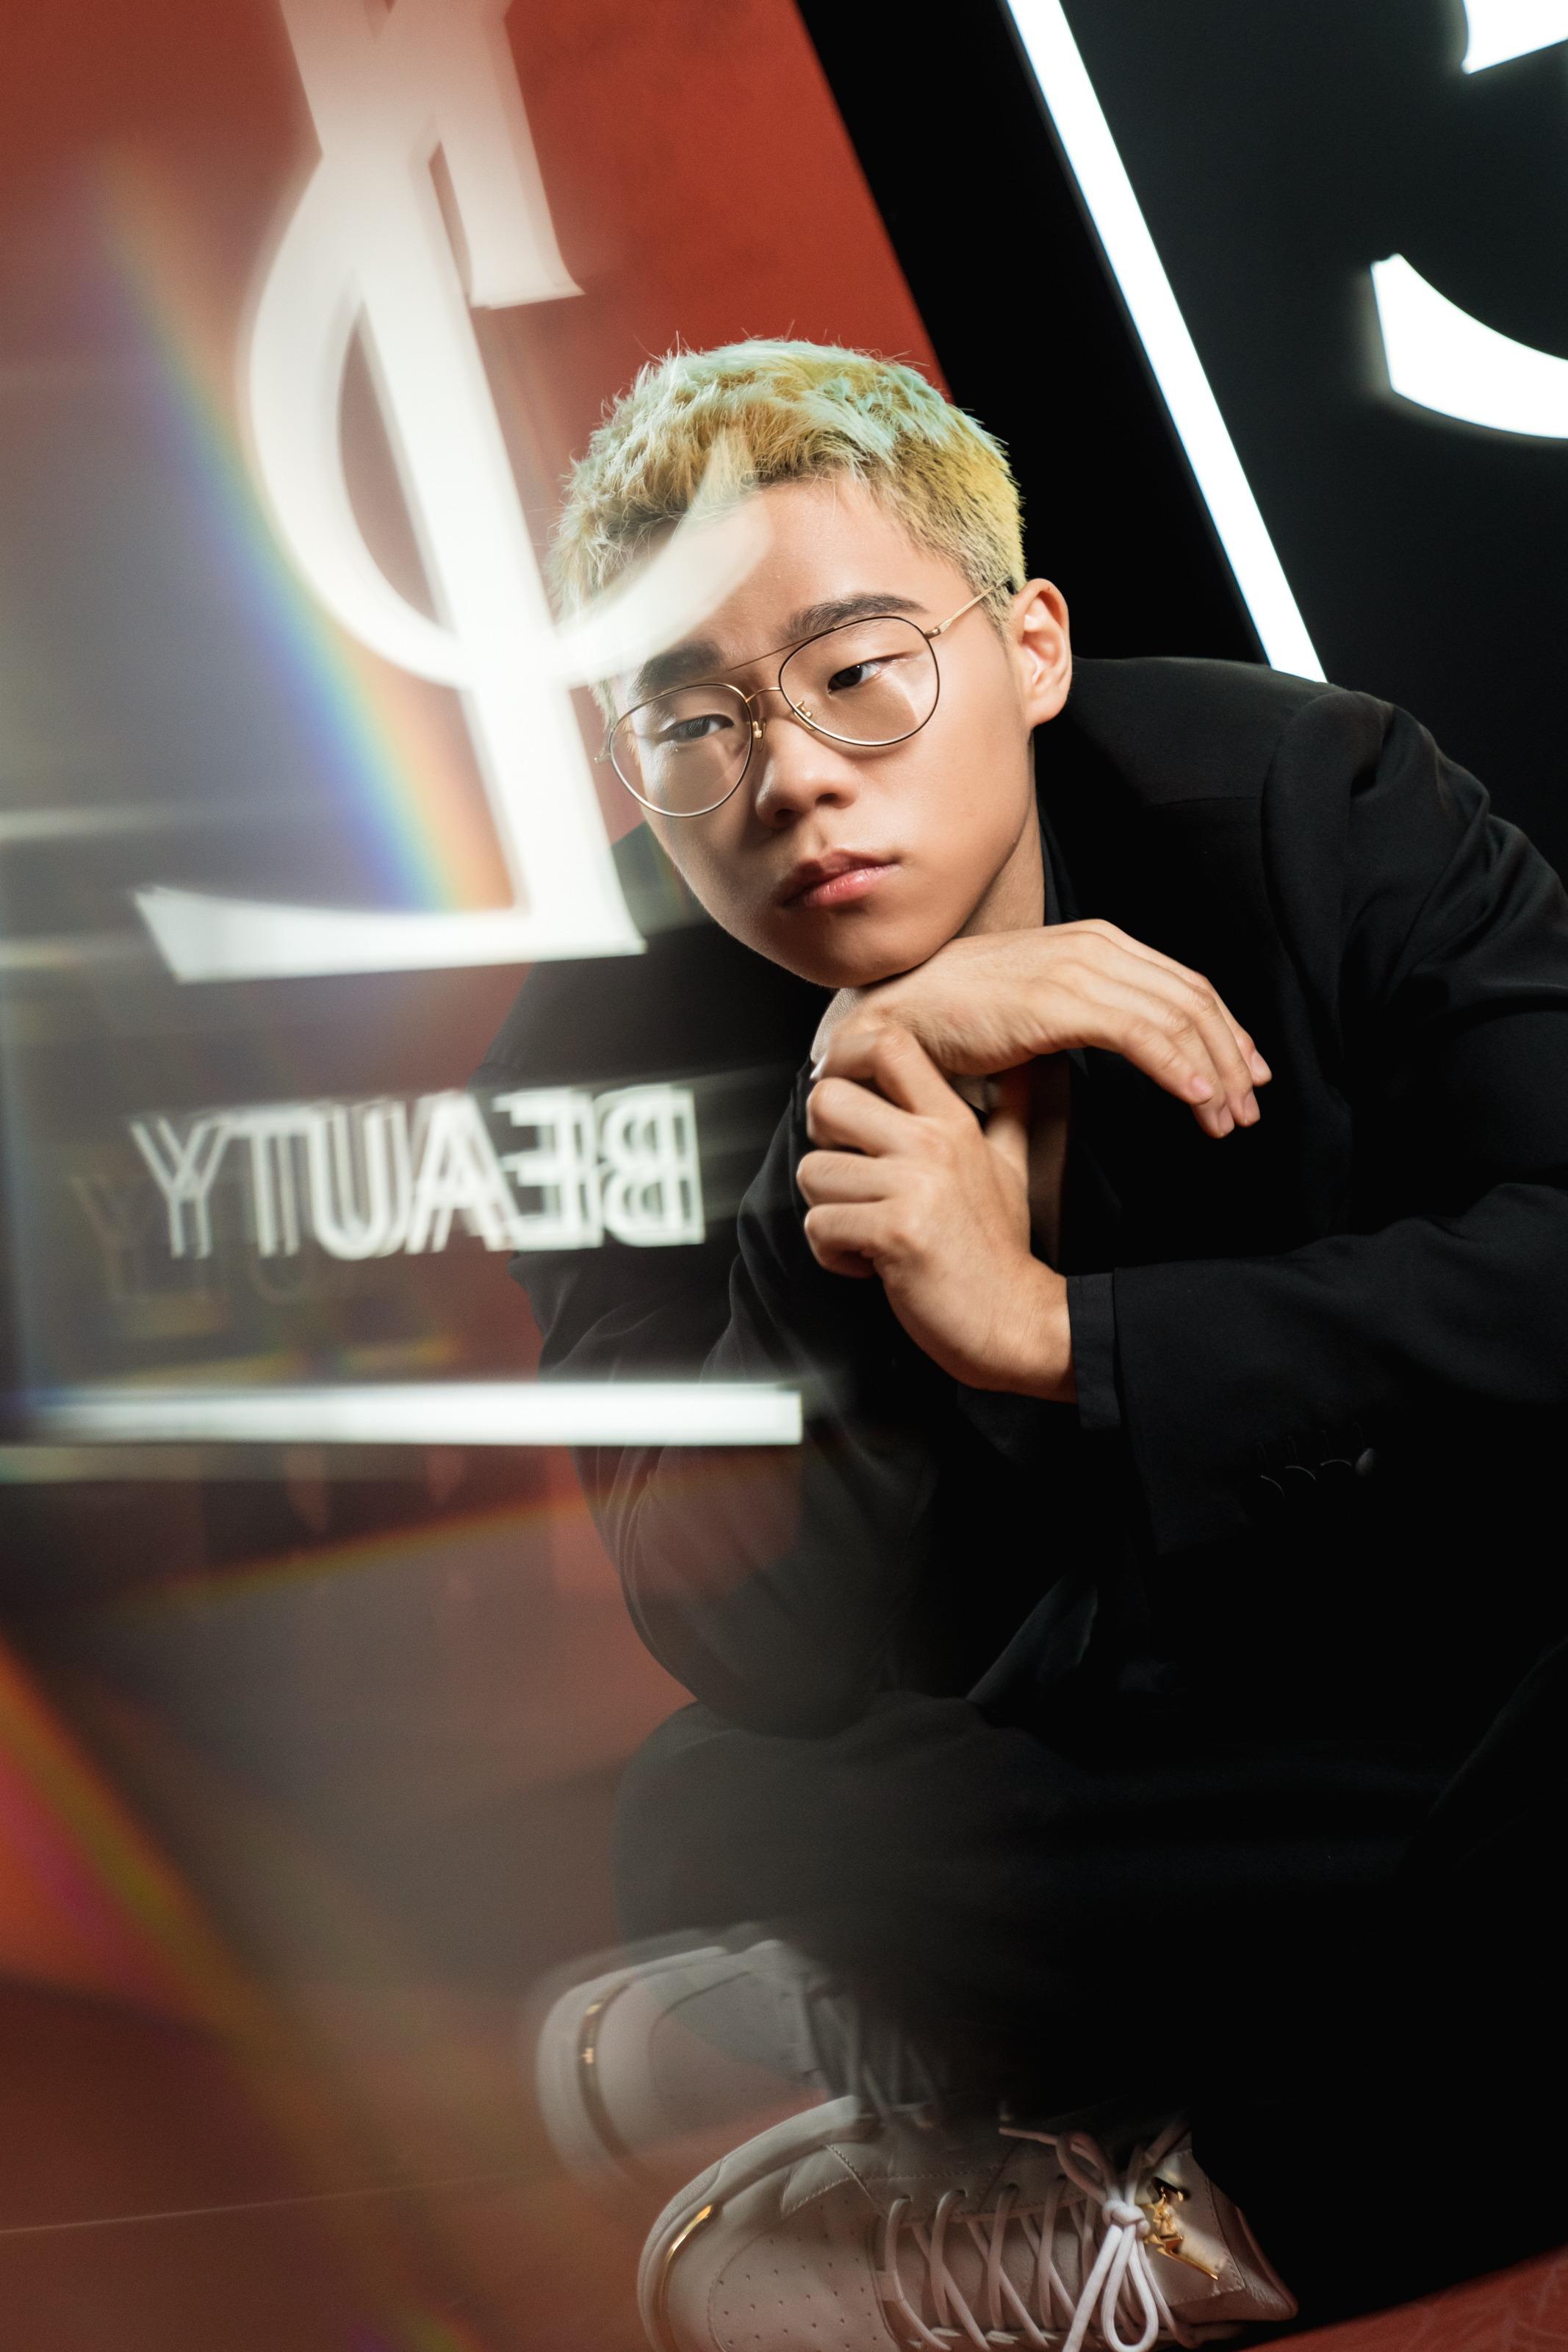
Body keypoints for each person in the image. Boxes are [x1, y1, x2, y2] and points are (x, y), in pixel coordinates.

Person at [481, 341, 1568, 2351]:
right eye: (694, 721)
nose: (792, 775)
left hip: (1460, 1661)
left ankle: (1185, 2217)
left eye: (857, 667)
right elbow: (748, 1634)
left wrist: (1072, 1336)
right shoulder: (593, 1050)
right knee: (728, 1811)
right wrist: (843, 1123)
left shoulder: (1319, 806)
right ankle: (990, 2003)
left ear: (1034, 647)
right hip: (1096, 1767)